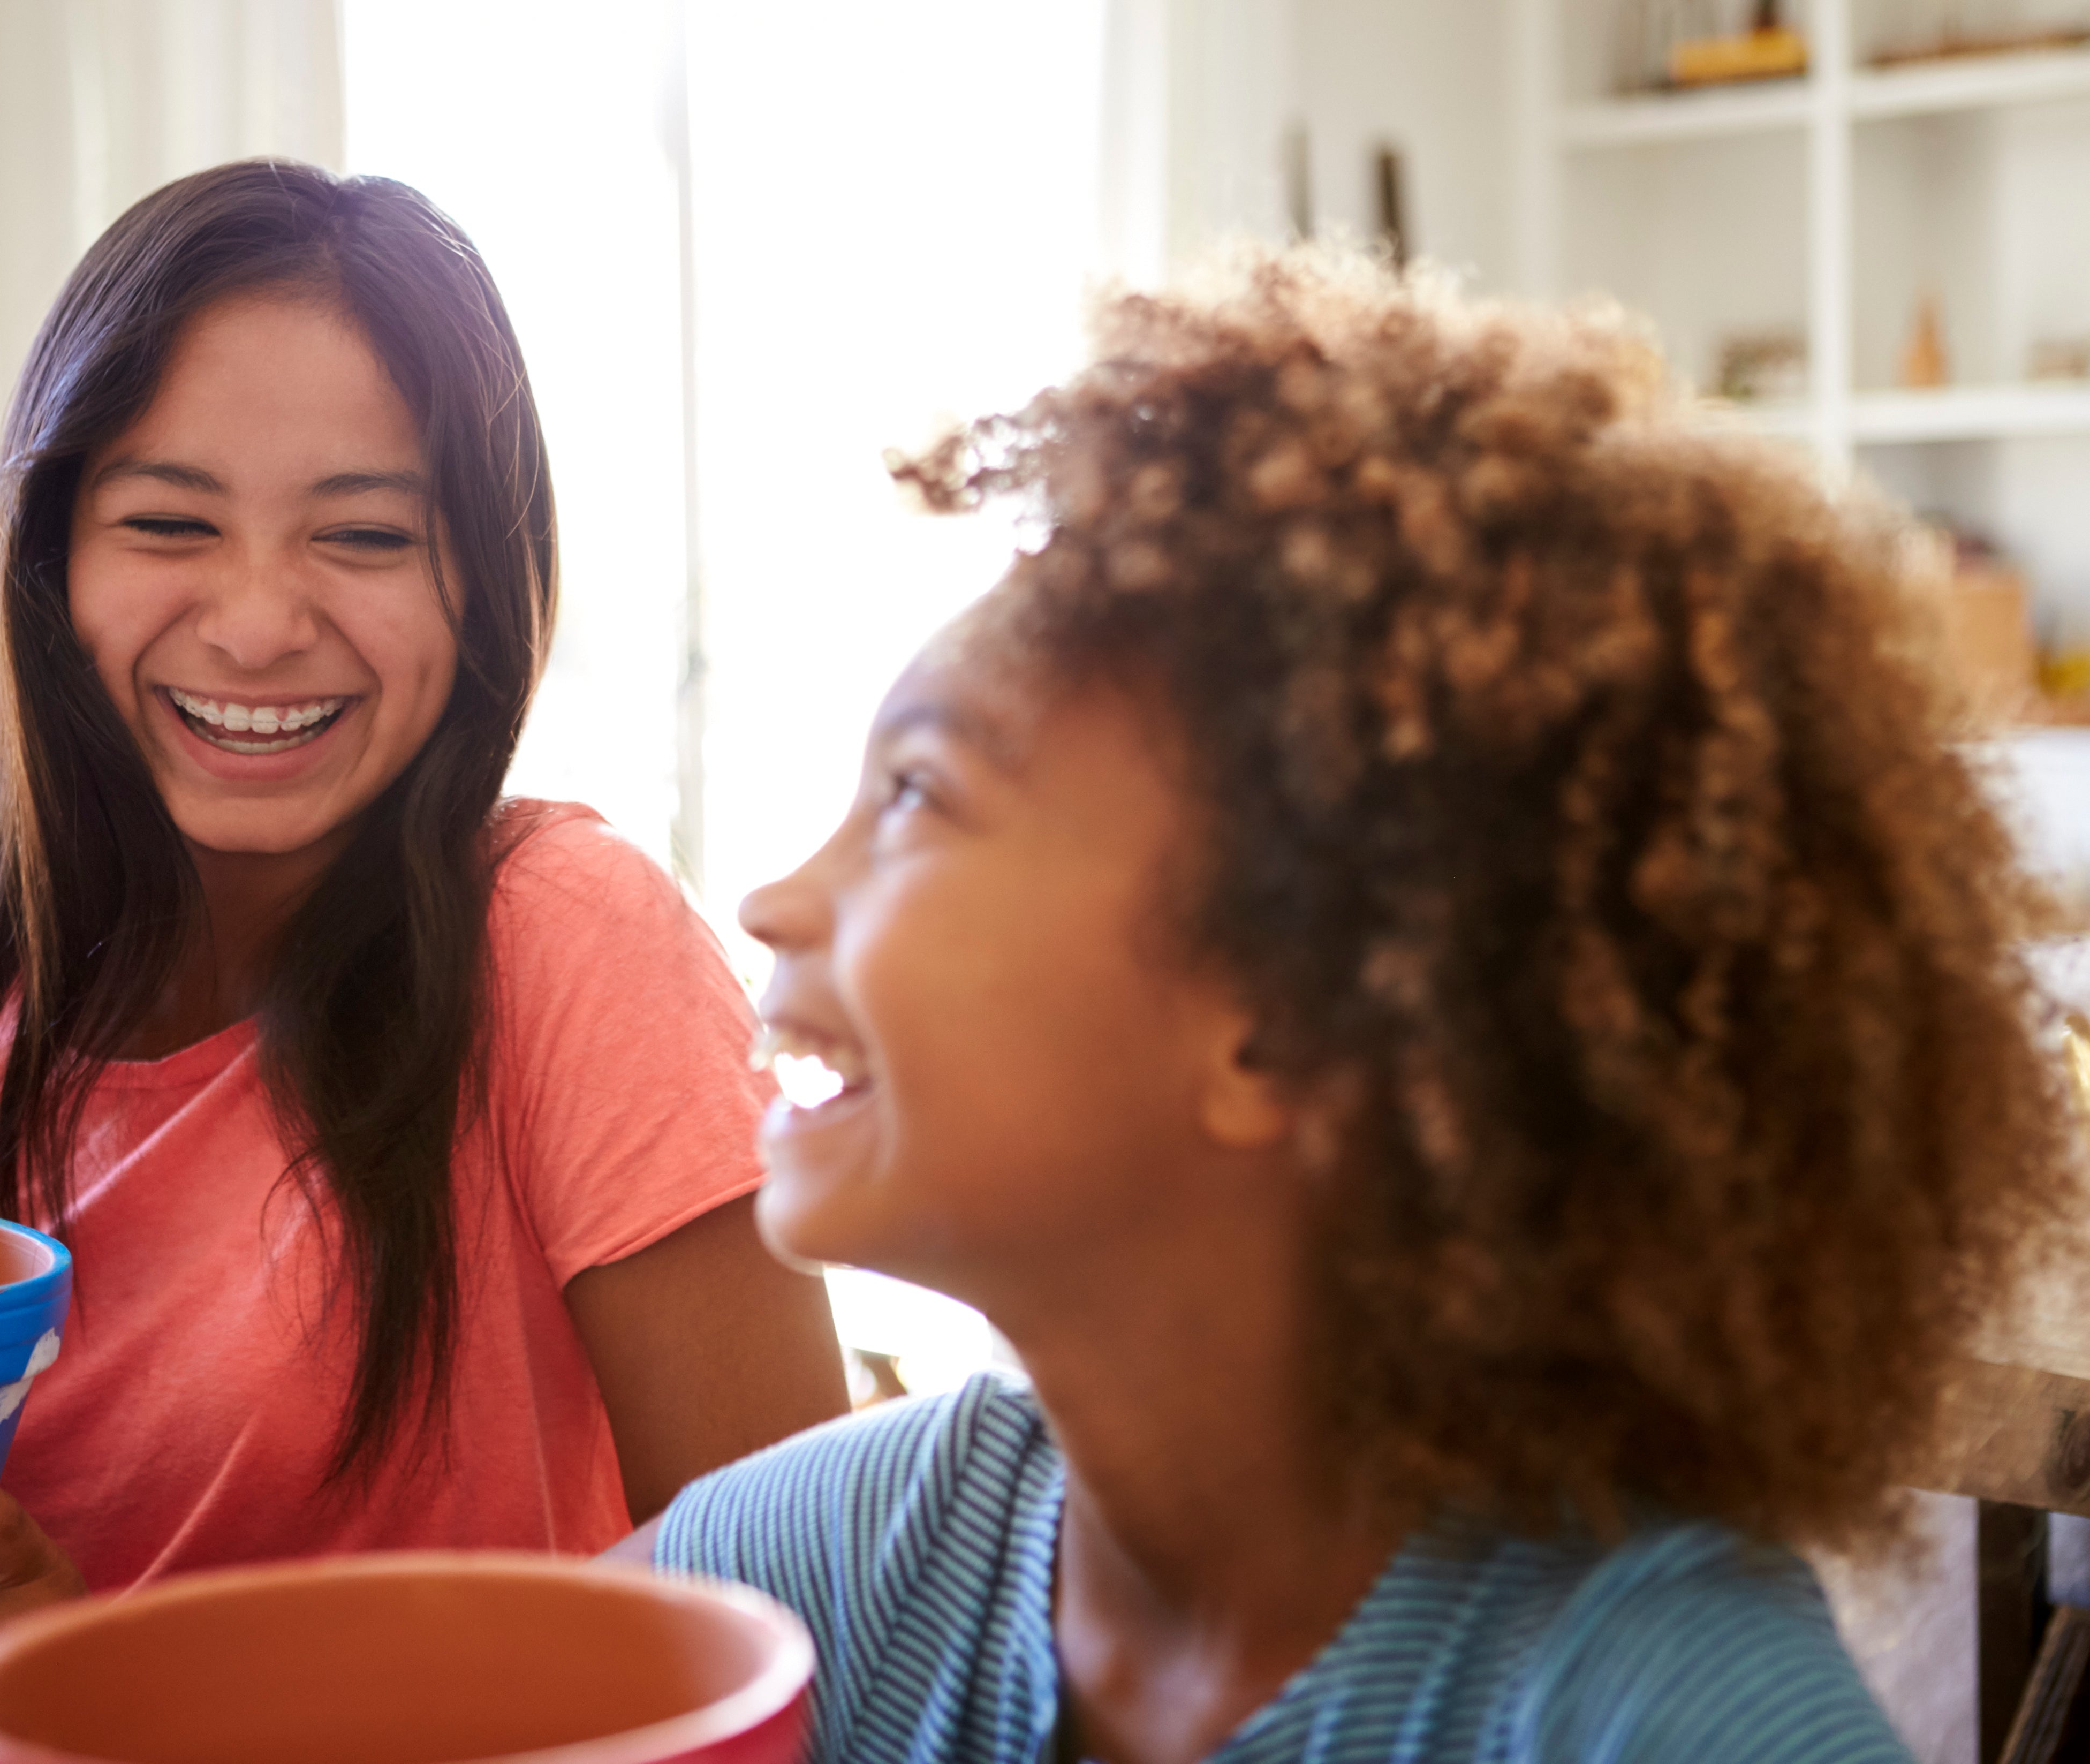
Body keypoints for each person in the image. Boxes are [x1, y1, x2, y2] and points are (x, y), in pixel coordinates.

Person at [630, 247, 2077, 1761]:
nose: (776, 898)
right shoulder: (840, 1561)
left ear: (1282, 1013)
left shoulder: (1664, 1711)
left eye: (916, 796)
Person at [0, 160, 848, 1763]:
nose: (260, 621)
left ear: (482, 585)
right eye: (168, 523)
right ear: (50, 559)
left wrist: (101, 1698)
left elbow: (815, 1639)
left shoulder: (565, 937)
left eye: (363, 533)